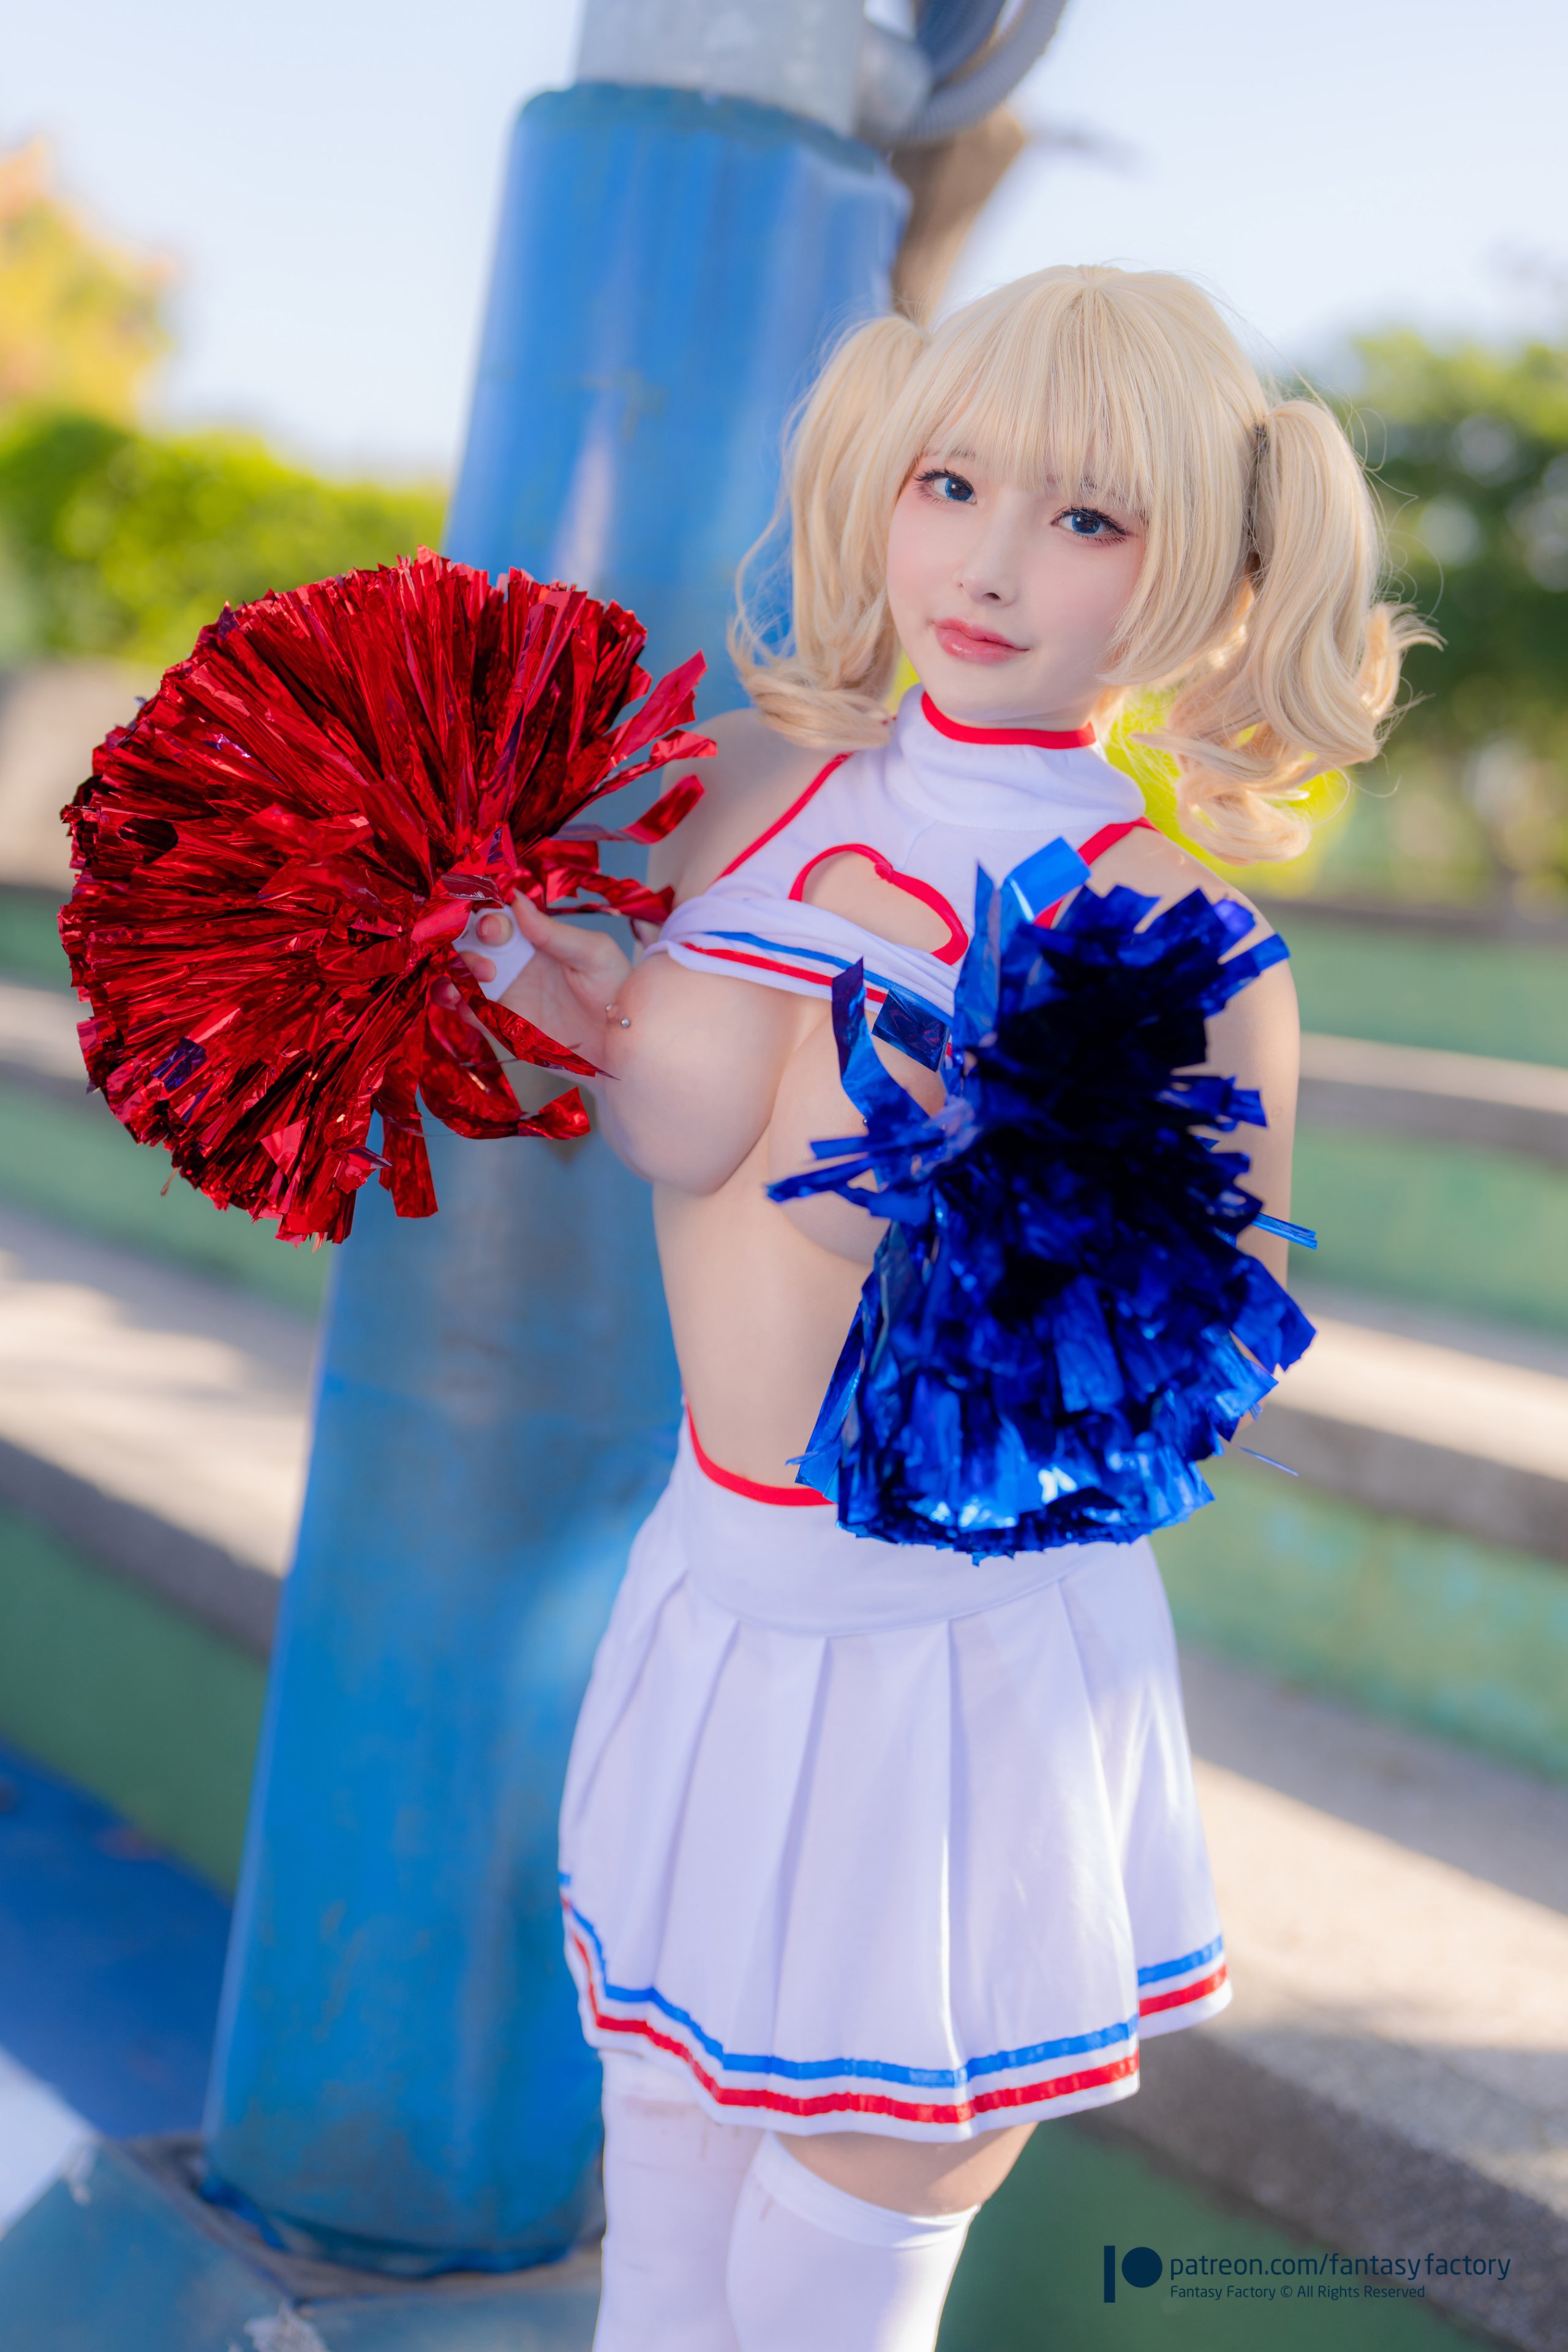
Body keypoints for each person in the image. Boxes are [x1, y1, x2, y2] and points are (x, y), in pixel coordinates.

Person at [448, 265, 1421, 2352]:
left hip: (950, 1659)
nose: (987, 565)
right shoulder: (754, 797)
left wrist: (952, 1211)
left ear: (1211, 573)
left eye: (1088, 518)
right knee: (668, 2226)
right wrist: (568, 1000)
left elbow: (1199, 1362)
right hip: (713, 1591)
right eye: (950, 484)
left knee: (831, 2263)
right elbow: (685, 1126)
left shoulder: (1178, 937)